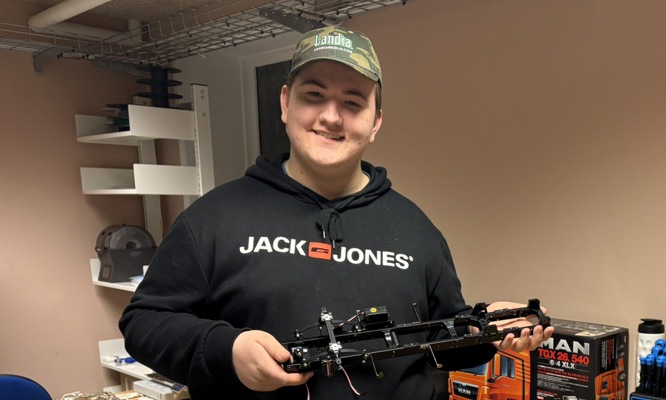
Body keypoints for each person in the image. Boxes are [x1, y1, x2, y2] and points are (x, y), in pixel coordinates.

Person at [118, 26, 554, 399]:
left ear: (375, 121)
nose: (331, 117)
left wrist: (483, 330)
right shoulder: (213, 217)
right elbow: (144, 324)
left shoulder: (416, 230)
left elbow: (439, 339)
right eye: (314, 95)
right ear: (285, 103)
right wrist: (226, 349)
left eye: (353, 102)